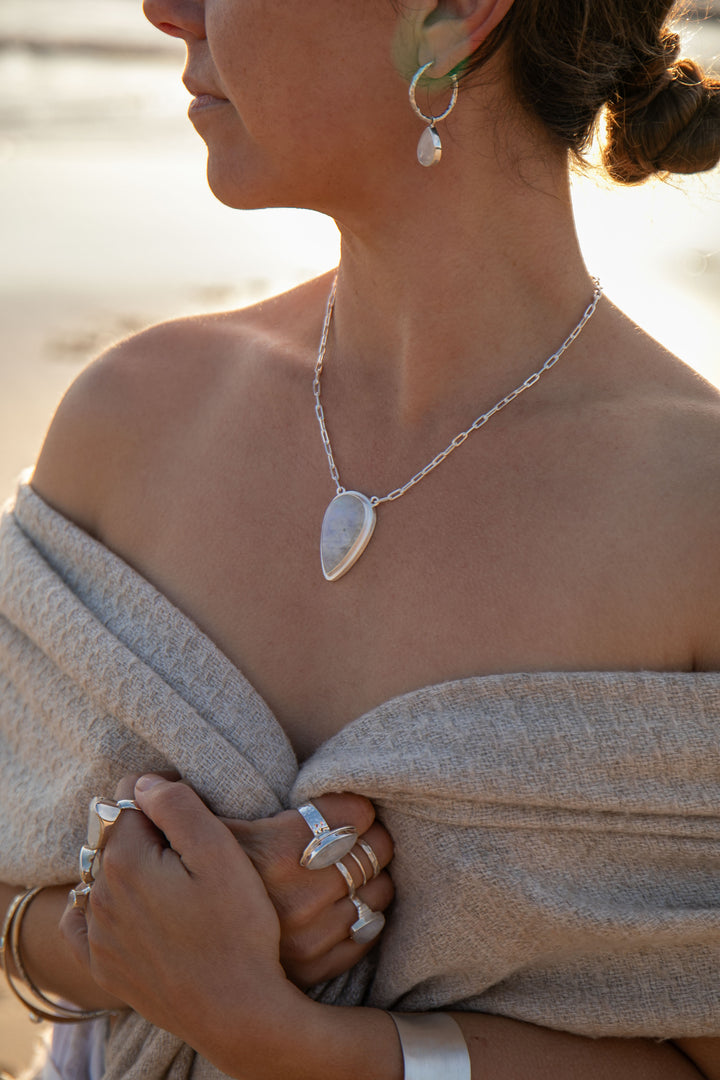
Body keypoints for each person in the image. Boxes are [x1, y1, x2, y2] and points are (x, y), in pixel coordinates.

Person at [1, 0, 720, 1076]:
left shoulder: (693, 523)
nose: (164, 8)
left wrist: (292, 1040)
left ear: (451, 15)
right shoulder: (130, 420)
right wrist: (136, 939)